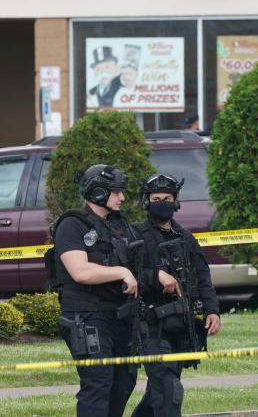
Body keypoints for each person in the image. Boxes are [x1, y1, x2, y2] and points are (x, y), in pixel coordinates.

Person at [49, 164, 140, 416]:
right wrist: (122, 272)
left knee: (124, 382)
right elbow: (80, 272)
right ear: (98, 192)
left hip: (120, 316)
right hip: (87, 316)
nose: (122, 197)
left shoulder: (119, 225)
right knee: (98, 383)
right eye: (116, 192)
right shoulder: (72, 225)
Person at [131, 173, 221, 417]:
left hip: (182, 326)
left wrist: (212, 310)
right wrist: (155, 275)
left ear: (176, 201)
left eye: (167, 198)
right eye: (156, 198)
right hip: (151, 326)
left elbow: (203, 277)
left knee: (159, 392)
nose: (162, 202)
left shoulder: (185, 237)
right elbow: (125, 277)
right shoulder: (135, 236)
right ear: (147, 201)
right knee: (170, 389)